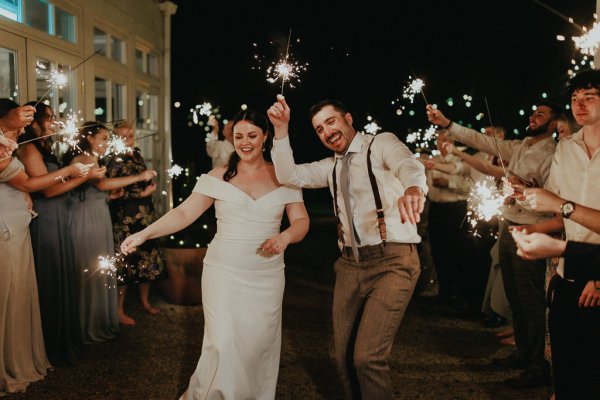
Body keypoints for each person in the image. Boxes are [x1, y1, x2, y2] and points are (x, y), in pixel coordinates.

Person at [121, 109, 309, 400]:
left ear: (266, 137)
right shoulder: (219, 175)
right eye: (238, 136)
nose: (245, 142)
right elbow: (184, 212)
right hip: (224, 272)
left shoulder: (285, 176)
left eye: (252, 135)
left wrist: (285, 237)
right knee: (222, 341)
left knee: (259, 344)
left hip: (266, 276)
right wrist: (144, 233)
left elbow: (301, 222)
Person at [268, 95, 426, 399]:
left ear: (348, 118)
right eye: (319, 129)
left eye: (331, 121)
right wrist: (281, 130)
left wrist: (414, 187)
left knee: (366, 358)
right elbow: (289, 175)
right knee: (340, 357)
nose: (327, 132)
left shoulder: (379, 144)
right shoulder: (331, 167)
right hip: (349, 266)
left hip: (393, 261)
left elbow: (408, 164)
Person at [427, 101, 562, 389]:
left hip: (531, 228)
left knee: (530, 299)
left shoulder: (553, 153)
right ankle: (523, 354)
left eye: (541, 114)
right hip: (507, 225)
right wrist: (448, 125)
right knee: (514, 295)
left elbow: (552, 195)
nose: (533, 115)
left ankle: (539, 366)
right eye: (533, 111)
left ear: (553, 125)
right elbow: (483, 141)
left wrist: (524, 188)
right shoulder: (521, 145)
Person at [512, 69, 600, 398]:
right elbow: (558, 213)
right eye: (575, 97)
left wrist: (560, 204)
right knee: (566, 375)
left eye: (590, 96)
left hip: (597, 278)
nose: (580, 103)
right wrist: (532, 227)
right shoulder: (566, 148)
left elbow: (562, 205)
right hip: (566, 277)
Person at [0, 99, 90, 395]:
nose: (27, 121)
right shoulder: (3, 147)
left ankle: (19, 354)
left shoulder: (11, 143)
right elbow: (27, 183)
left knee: (20, 293)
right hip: (5, 230)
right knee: (7, 294)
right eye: (21, 116)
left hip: (18, 226)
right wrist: (72, 170)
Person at [17, 102, 105, 366]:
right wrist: (85, 177)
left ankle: (63, 340)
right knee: (50, 280)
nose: (54, 122)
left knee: (62, 277)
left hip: (60, 216)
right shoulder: (28, 148)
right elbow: (47, 191)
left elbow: (59, 185)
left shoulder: (45, 147)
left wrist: (82, 176)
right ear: (34, 122)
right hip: (45, 219)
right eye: (50, 118)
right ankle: (49, 345)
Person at [63, 122, 156, 343]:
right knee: (89, 270)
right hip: (87, 219)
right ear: (89, 139)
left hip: (97, 213)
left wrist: (110, 197)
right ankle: (86, 326)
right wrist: (139, 176)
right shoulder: (84, 158)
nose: (107, 143)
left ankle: (95, 321)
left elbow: (96, 190)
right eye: (104, 138)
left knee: (97, 269)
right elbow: (101, 184)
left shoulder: (92, 158)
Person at [105, 120, 167, 325]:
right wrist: (140, 192)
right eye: (122, 136)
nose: (127, 140)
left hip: (145, 215)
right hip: (125, 217)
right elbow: (112, 191)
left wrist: (148, 189)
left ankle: (144, 302)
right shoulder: (113, 160)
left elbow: (143, 181)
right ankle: (119, 310)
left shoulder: (137, 155)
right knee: (125, 263)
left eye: (130, 135)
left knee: (147, 257)